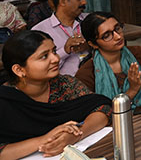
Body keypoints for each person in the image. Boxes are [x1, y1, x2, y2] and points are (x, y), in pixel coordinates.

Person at [0, 30, 110, 159]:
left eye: (54, 51)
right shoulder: (5, 100)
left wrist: (76, 135)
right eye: (44, 56)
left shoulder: (65, 84)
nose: (56, 59)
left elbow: (103, 108)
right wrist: (46, 139)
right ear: (19, 70)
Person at [77, 13, 141, 108]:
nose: (118, 37)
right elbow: (99, 112)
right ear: (93, 44)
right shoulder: (86, 75)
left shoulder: (139, 53)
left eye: (117, 28)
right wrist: (132, 90)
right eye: (107, 35)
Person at [32, 0, 89, 76]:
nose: (84, 2)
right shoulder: (40, 31)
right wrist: (65, 51)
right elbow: (38, 68)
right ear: (62, 1)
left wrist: (90, 45)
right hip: (63, 82)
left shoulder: (89, 20)